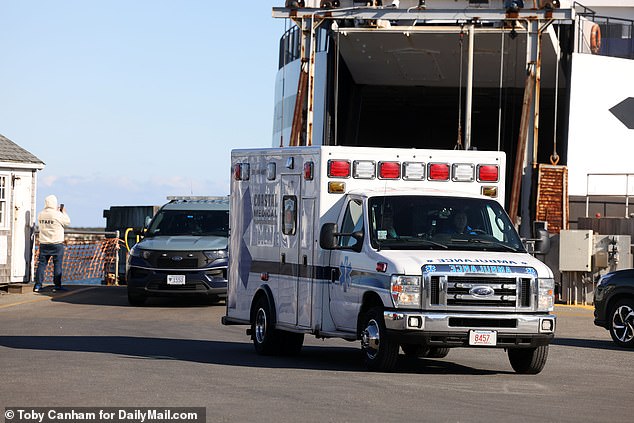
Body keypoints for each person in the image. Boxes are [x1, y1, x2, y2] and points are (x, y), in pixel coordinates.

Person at [34, 195, 71, 292]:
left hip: (44, 243)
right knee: (57, 265)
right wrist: (63, 212)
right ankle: (57, 286)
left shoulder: (40, 214)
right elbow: (67, 222)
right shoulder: (57, 214)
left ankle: (38, 285)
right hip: (56, 243)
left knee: (42, 264)